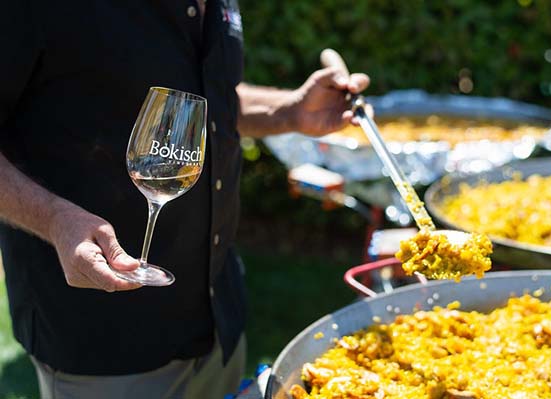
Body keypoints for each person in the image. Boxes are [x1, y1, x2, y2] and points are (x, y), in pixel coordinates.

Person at [0, 1, 369, 398]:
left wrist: (289, 111)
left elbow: (206, 99)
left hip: (216, 321)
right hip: (103, 343)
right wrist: (55, 218)